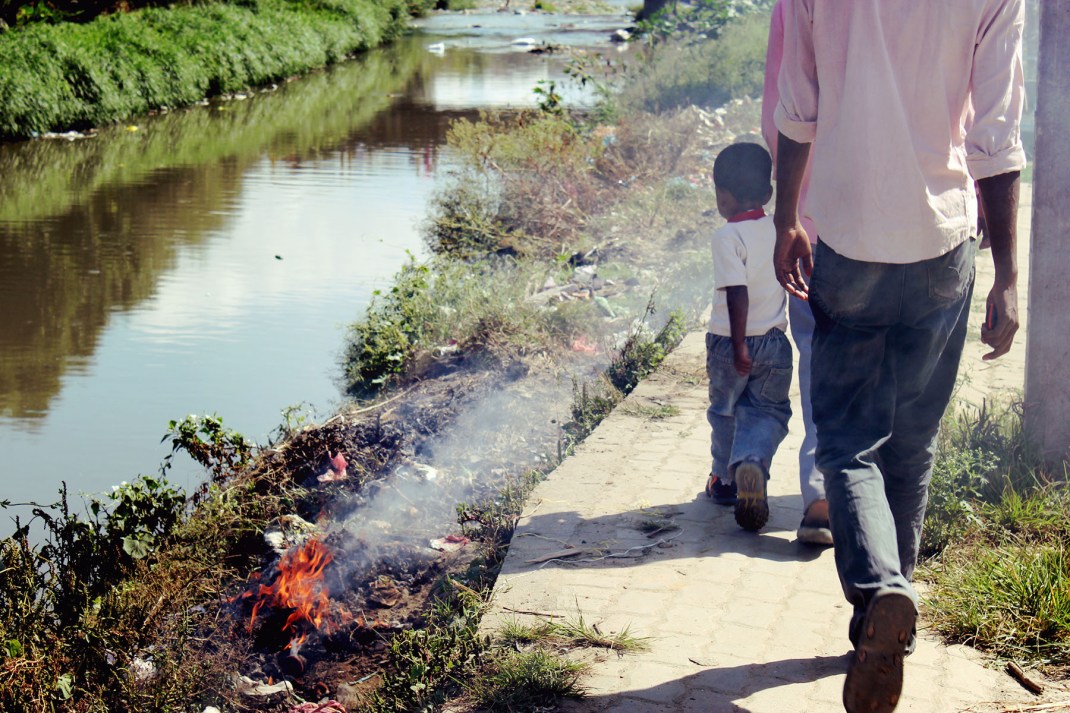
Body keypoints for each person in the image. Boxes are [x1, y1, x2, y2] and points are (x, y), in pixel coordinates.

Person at [772, 1, 1025, 712]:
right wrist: (1006, 275)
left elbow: (798, 106)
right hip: (942, 247)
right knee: (911, 448)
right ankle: (887, 619)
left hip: (847, 241)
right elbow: (996, 139)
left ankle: (881, 594)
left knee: (850, 445)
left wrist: (787, 216)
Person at [760, 0, 831, 547]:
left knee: (819, 357)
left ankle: (823, 495)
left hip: (817, 217)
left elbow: (785, 111)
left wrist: (788, 215)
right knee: (898, 367)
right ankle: (883, 508)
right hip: (924, 223)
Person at [704, 142, 793, 533]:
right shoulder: (778, 228)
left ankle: (724, 481)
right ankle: (753, 461)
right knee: (766, 410)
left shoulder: (726, 237)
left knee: (725, 411)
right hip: (774, 341)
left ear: (723, 197)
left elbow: (736, 291)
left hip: (729, 342)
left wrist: (739, 344)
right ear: (769, 194)